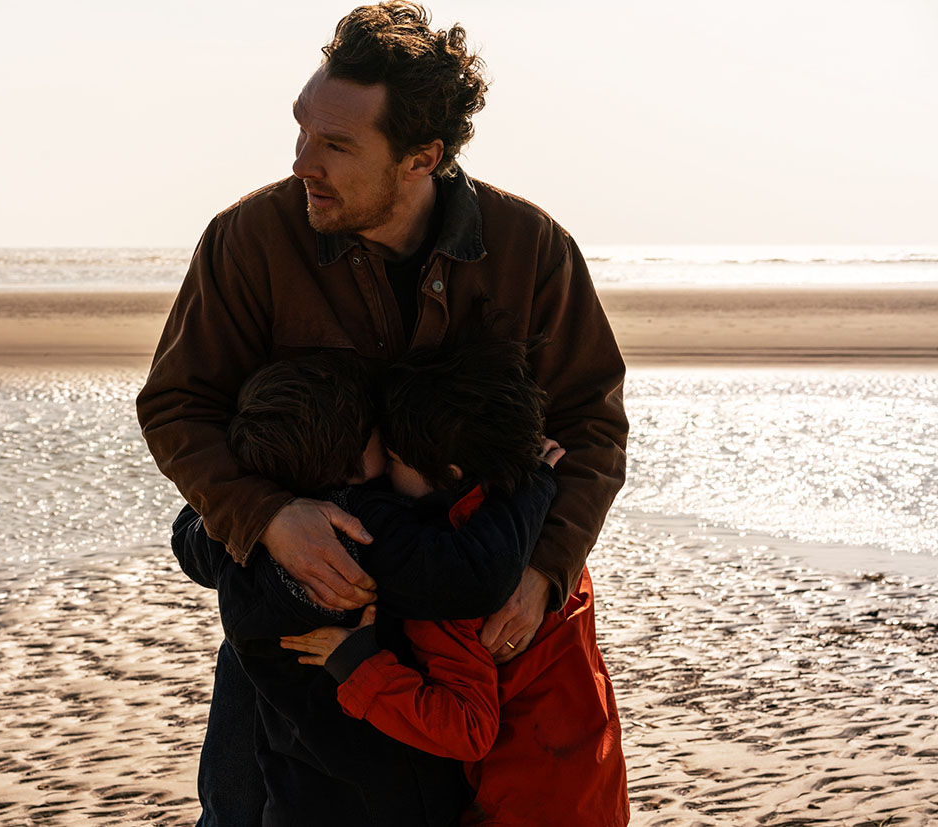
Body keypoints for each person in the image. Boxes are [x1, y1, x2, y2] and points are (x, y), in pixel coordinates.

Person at [136, 2, 628, 822]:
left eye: (336, 144)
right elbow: (177, 405)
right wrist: (268, 517)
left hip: (477, 634)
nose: (303, 162)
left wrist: (544, 571)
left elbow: (591, 424)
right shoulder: (249, 238)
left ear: (421, 157)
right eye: (302, 129)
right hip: (299, 622)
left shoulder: (531, 248)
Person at [172, 348, 559, 826]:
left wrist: (257, 509)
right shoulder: (367, 527)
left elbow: (188, 533)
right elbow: (473, 574)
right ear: (354, 466)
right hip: (390, 791)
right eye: (382, 437)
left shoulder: (234, 542)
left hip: (295, 793)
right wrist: (532, 485)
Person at [278, 343, 630, 827]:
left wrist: (359, 667)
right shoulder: (550, 544)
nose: (384, 476)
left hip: (519, 808)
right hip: (597, 787)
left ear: (449, 475)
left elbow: (468, 729)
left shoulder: (446, 580)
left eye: (394, 459)